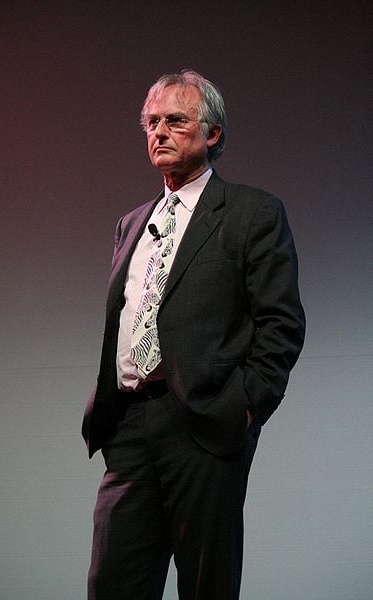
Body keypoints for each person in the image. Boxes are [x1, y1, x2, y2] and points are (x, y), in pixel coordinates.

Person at [82, 69, 305, 600]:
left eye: (175, 121)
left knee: (206, 585)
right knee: (112, 584)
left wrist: (244, 408)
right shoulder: (131, 222)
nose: (158, 132)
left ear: (213, 134)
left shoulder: (253, 213)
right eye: (151, 122)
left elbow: (281, 323)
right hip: (131, 425)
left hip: (203, 424)